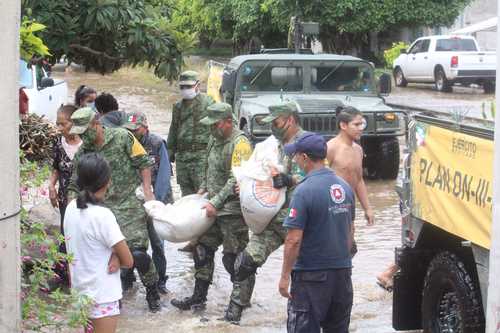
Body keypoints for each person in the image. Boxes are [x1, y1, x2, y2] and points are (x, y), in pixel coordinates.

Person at [68, 107, 161, 312]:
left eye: (86, 131)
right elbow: (74, 184)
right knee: (107, 258)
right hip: (101, 212)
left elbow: (144, 163)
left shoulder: (123, 137)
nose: (83, 137)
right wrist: (71, 210)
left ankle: (152, 291)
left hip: (129, 207)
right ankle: (114, 297)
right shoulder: (83, 152)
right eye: (80, 133)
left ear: (97, 123)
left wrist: (147, 190)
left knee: (138, 254)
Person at [170, 102, 254, 323]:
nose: (211, 129)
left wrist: (215, 202)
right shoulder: (214, 139)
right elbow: (208, 169)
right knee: (202, 250)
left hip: (233, 212)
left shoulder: (241, 143)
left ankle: (239, 304)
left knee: (234, 259)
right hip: (212, 209)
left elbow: (236, 178)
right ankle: (198, 298)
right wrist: (202, 190)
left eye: (215, 124)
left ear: (228, 121)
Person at [279, 132, 355, 333]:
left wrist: (285, 276)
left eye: (296, 156)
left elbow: (294, 239)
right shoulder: (345, 187)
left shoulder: (303, 191)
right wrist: (342, 265)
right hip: (342, 276)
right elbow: (350, 232)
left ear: (304, 158)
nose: (295, 160)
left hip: (311, 277)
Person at [233, 101, 305, 301]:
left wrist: (291, 179)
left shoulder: (307, 143)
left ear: (290, 120)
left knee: (304, 271)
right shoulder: (274, 145)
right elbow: (259, 171)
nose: (272, 126)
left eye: (276, 122)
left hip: (300, 222)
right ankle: (234, 314)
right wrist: (246, 185)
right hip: (273, 218)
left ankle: (302, 311)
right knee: (244, 264)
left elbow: (318, 175)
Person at [64, 152, 134, 333]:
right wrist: (117, 256)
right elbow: (129, 261)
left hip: (80, 292)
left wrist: (114, 254)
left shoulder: (71, 208)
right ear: (107, 181)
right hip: (102, 296)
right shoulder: (102, 216)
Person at [122, 111, 172, 294]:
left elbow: (164, 177)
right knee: (131, 242)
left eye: (136, 130)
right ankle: (127, 277)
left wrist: (154, 202)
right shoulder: (125, 143)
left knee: (157, 244)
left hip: (156, 202)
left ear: (145, 127)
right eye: (130, 130)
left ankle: (160, 280)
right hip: (134, 203)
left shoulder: (157, 144)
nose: (133, 133)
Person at [166, 70, 215, 252]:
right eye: (182, 87)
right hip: (183, 158)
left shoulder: (208, 103)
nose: (185, 89)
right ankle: (193, 239)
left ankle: (205, 239)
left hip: (201, 155)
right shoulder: (178, 107)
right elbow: (173, 130)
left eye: (188, 86)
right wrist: (169, 154)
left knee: (202, 197)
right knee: (187, 198)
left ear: (197, 85)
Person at [327, 106, 374, 256]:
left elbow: (358, 180)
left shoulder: (358, 150)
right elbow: (317, 178)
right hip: (331, 205)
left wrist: (367, 208)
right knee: (332, 244)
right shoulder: (330, 148)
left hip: (349, 203)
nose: (361, 128)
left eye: (362, 124)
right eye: (356, 125)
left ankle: (345, 274)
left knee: (349, 243)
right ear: (343, 125)